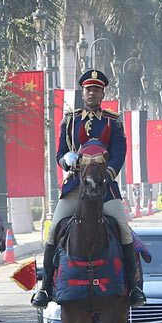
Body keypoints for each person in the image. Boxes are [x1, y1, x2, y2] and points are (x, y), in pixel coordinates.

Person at [31, 69, 145, 309]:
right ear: (83, 92)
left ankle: (133, 287)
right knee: (53, 232)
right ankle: (45, 289)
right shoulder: (70, 119)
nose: (91, 93)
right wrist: (67, 161)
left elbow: (118, 154)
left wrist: (108, 174)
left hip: (105, 189)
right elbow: (60, 152)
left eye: (96, 89)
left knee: (124, 231)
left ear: (103, 93)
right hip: (75, 187)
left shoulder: (112, 121)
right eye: (88, 89)